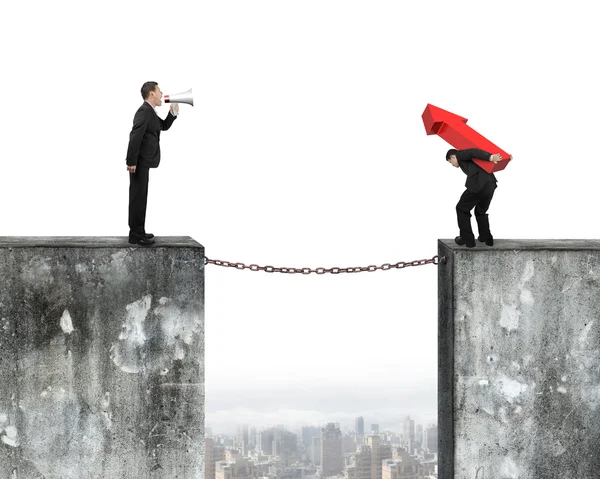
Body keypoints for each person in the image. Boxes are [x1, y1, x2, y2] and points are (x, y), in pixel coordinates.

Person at [125, 81, 179, 246]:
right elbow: (135, 136)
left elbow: (162, 126)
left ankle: (138, 231)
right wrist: (131, 161)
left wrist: (173, 114)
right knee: (138, 197)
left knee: (141, 197)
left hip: (143, 162)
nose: (162, 94)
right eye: (159, 91)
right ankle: (135, 234)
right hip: (139, 163)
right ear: (151, 93)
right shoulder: (144, 111)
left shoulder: (150, 112)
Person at [446, 148, 511, 248]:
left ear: (452, 157)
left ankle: (467, 240)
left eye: (451, 162)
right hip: (490, 184)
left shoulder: (460, 154)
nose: (453, 166)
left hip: (478, 184)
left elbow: (473, 151)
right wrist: (505, 158)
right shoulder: (472, 161)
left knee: (461, 209)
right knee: (480, 211)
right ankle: (486, 238)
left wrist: (491, 157)